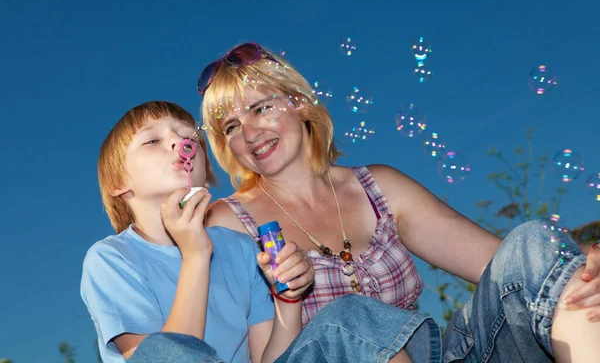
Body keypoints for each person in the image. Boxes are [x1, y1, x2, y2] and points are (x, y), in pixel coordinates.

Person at [199, 42, 600, 362]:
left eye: (261, 108)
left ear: (299, 103)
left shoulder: (379, 188)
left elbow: (509, 265)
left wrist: (584, 260)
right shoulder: (229, 223)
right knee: (350, 317)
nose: (249, 133)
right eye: (232, 126)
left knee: (534, 242)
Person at [80, 101, 439, 363]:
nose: (180, 143)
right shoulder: (112, 259)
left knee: (348, 315)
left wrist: (287, 300)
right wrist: (195, 254)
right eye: (152, 141)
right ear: (118, 183)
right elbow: (169, 357)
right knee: (162, 349)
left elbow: (271, 359)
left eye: (190, 137)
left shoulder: (238, 247)